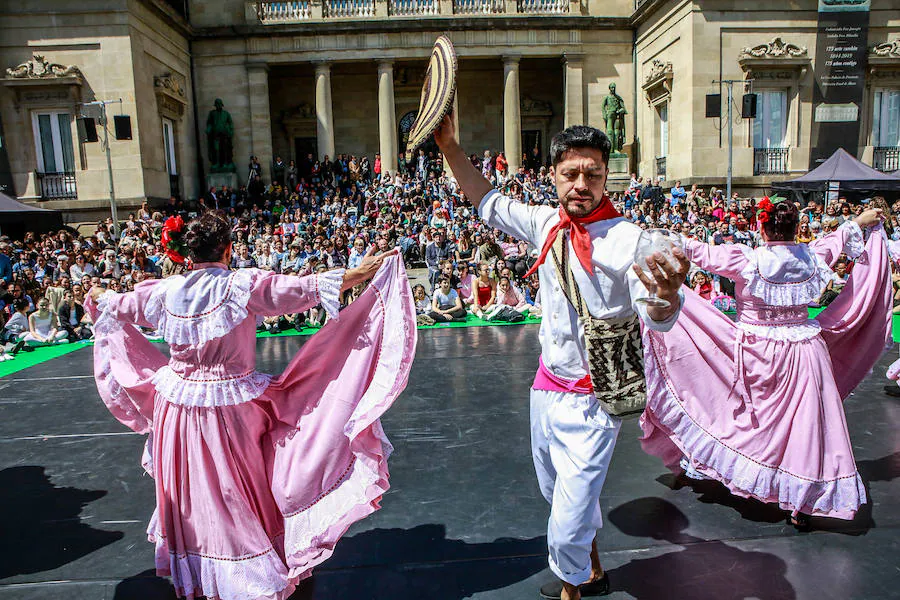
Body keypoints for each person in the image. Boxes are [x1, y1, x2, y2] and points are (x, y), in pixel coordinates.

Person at [84, 210, 416, 600]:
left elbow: (115, 304)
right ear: (228, 248)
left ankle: (203, 565)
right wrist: (361, 273)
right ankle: (249, 567)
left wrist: (97, 294)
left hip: (176, 406)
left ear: (187, 253)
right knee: (238, 488)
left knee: (194, 489)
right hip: (231, 406)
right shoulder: (242, 285)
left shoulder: (162, 292)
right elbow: (300, 290)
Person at [435, 119, 688, 600]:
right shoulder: (545, 223)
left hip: (596, 402)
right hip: (545, 392)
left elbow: (656, 319)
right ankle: (591, 569)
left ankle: (573, 589)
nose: (581, 185)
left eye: (592, 175)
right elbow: (485, 200)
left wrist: (666, 297)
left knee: (567, 524)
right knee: (559, 497)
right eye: (571, 173)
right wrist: (449, 146)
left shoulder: (630, 240)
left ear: (606, 177)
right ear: (553, 175)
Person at [639, 199, 890, 530]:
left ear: (762, 226)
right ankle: (804, 499)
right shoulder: (813, 255)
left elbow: (697, 251)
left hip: (757, 354)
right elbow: (840, 237)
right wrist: (861, 220)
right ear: (797, 226)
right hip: (806, 352)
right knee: (809, 428)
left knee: (750, 423)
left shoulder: (746, 259)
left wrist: (655, 237)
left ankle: (759, 477)